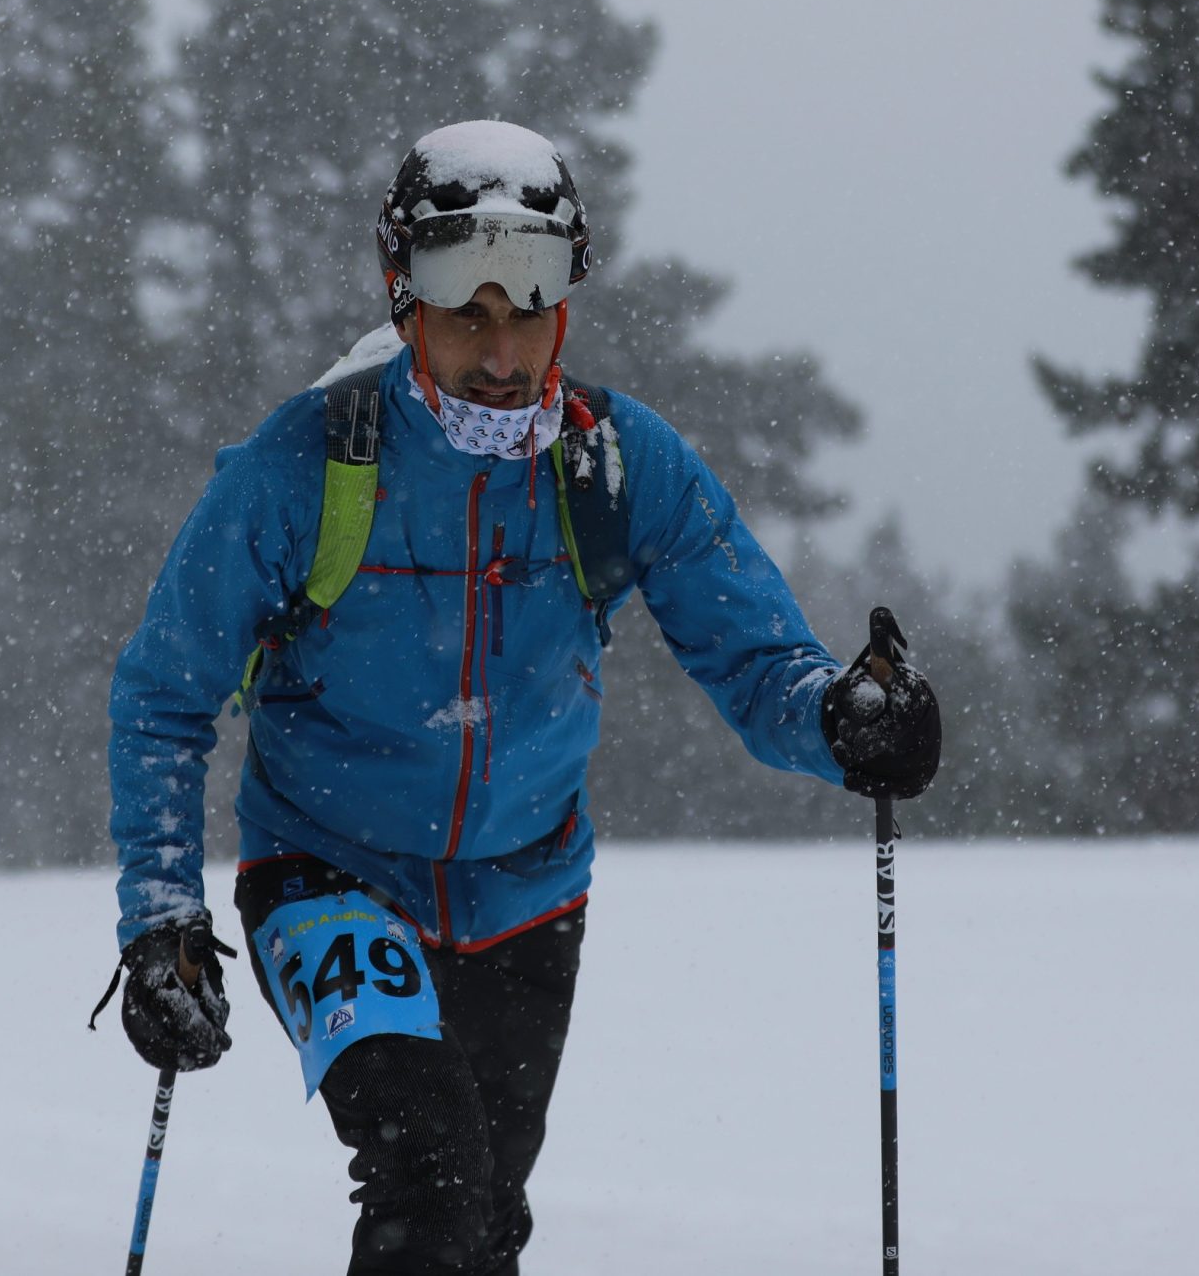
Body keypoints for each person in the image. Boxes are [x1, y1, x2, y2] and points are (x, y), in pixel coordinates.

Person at [102, 120, 941, 1272]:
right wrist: (161, 917)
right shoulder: (305, 465)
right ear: (405, 302)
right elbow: (165, 696)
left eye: (530, 312)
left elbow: (758, 662)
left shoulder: (617, 465)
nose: (502, 353)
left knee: (487, 1220)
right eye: (467, 315)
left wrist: (843, 720)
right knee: (431, 1181)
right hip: (328, 873)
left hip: (529, 890)